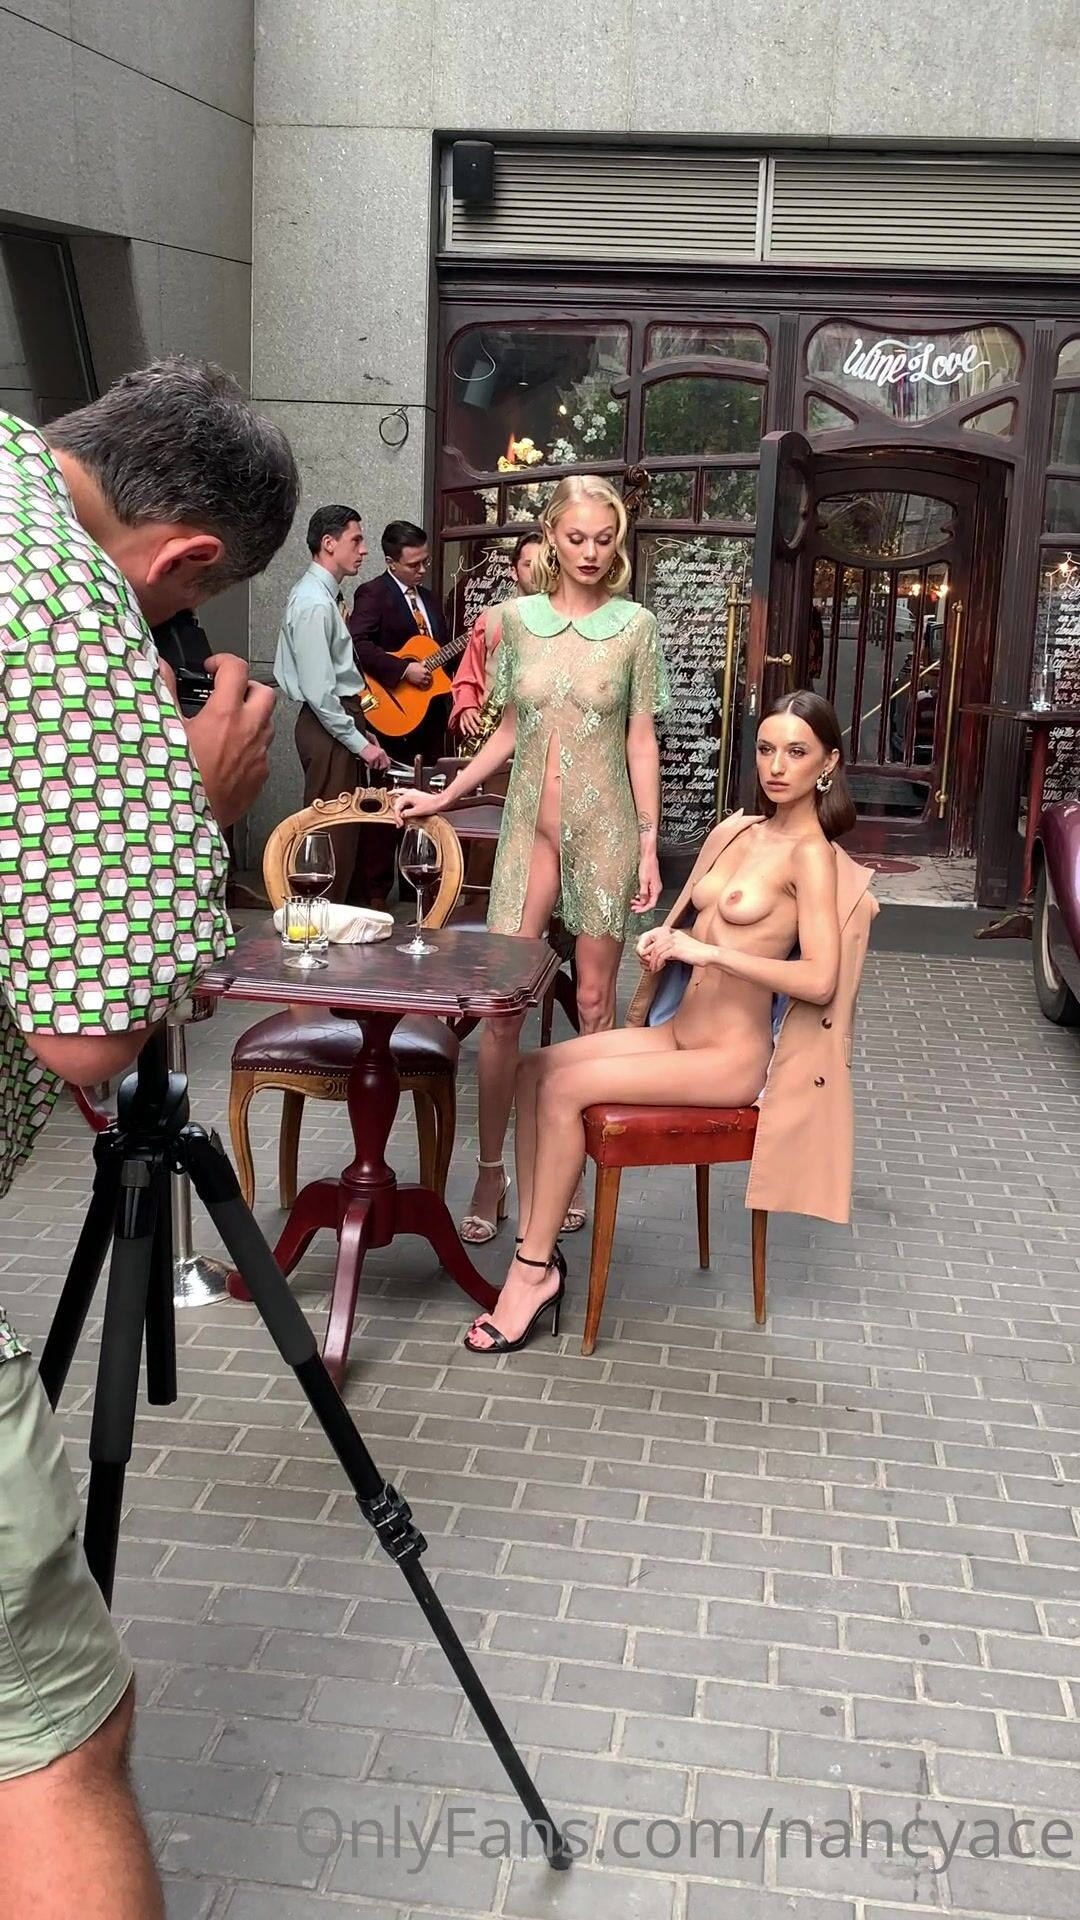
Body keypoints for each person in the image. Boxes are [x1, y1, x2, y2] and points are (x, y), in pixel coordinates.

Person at [0, 357, 298, 1918]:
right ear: (187, 558)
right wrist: (191, 804)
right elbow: (90, 1035)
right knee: (58, 1740)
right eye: (180, 606)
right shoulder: (62, 592)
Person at [460, 691, 873, 1354]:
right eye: (767, 749)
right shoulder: (738, 832)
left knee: (565, 1087)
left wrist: (710, 953)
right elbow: (700, 926)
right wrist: (668, 941)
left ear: (828, 764)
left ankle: (530, 1274)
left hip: (730, 1059)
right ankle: (538, 1248)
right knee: (534, 1070)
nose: (777, 766)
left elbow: (820, 978)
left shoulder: (810, 857)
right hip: (679, 1031)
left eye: (797, 752)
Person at [394, 474, 670, 1246]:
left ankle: (568, 1166)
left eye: (604, 539)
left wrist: (650, 842)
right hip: (530, 829)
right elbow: (508, 731)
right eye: (576, 537)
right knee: (502, 1008)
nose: (590, 552)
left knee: (593, 1004)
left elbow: (641, 740)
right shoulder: (513, 621)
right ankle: (490, 1169)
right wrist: (447, 796)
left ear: (618, 543)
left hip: (605, 830)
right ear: (550, 535)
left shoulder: (636, 627)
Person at [273, 505, 391, 903]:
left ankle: (333, 924)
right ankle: (315, 926)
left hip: (339, 721)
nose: (364, 550)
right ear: (328, 543)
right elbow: (320, 692)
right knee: (330, 842)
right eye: (356, 540)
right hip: (328, 724)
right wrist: (359, 742)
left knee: (343, 841)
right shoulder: (314, 603)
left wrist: (359, 733)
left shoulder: (323, 598)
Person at [348, 519, 451, 906]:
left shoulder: (431, 600)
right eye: (413, 564)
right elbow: (357, 644)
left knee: (426, 807)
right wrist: (401, 671)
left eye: (426, 562)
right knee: (387, 806)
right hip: (392, 719)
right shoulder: (373, 594)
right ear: (391, 562)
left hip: (429, 719)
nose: (422, 570)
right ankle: (375, 893)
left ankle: (419, 890)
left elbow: (436, 653)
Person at [449, 529, 542, 746]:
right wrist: (467, 707)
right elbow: (467, 677)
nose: (537, 571)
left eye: (544, 564)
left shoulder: (568, 618)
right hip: (494, 737)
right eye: (528, 565)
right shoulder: (489, 619)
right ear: (513, 572)